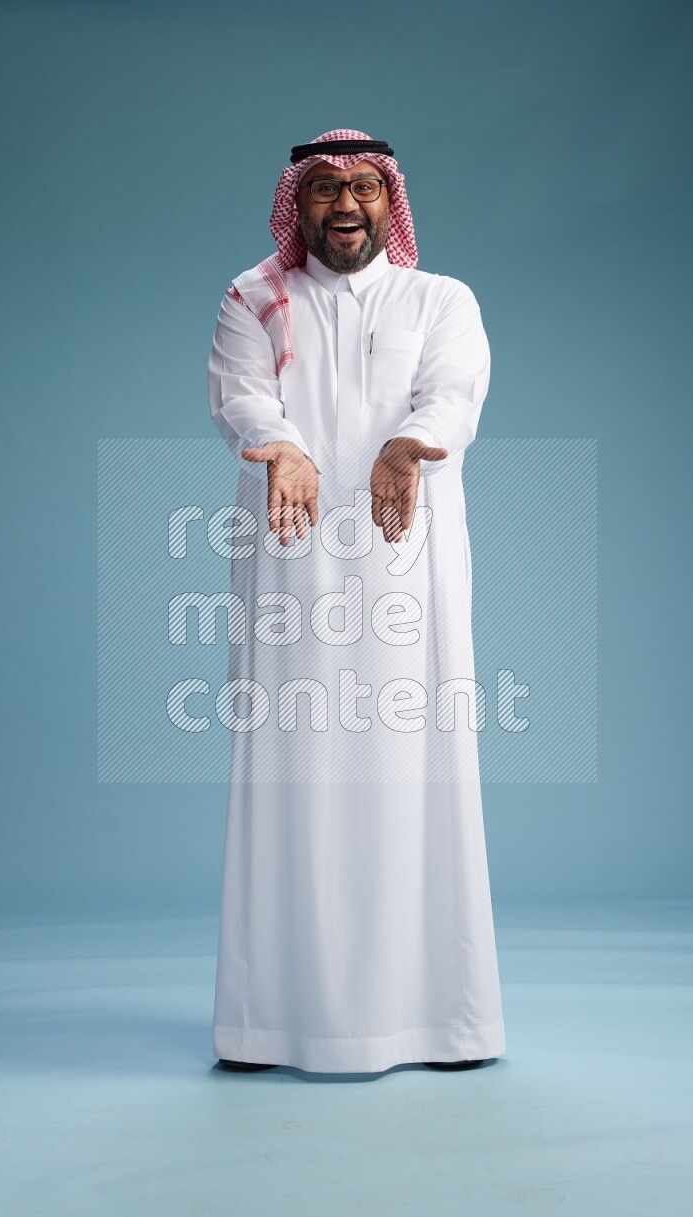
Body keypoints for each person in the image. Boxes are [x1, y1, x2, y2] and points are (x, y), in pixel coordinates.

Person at [207, 129, 506, 1074]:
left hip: (406, 562)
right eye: (327, 188)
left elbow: (454, 391)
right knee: (291, 767)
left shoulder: (440, 299)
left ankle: (440, 1022)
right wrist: (283, 446)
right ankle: (273, 1022)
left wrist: (408, 442)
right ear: (299, 203)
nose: (346, 204)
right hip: (293, 566)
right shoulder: (253, 299)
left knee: (419, 769)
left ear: (391, 202)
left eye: (365, 188)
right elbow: (240, 396)